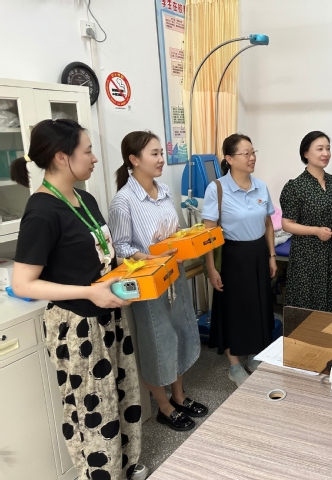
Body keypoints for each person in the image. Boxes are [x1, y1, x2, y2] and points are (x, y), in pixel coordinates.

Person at [10, 119, 148, 480]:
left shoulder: (84, 198)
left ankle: (126, 465)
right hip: (77, 326)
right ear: (61, 157)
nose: (95, 158)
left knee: (122, 395)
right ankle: (104, 474)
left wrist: (126, 275)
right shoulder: (41, 211)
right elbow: (23, 283)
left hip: (108, 315)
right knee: (95, 410)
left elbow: (99, 256)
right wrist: (90, 292)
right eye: (87, 151)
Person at [108, 131, 208, 432]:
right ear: (134, 159)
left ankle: (179, 396)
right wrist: (151, 257)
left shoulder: (163, 191)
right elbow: (120, 248)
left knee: (180, 332)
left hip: (174, 275)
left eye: (161, 153)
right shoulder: (123, 201)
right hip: (149, 284)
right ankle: (164, 406)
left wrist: (184, 243)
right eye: (154, 154)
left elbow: (173, 233)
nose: (161, 159)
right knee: (158, 341)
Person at [202, 134, 277, 387]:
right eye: (246, 153)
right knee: (233, 310)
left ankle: (254, 354)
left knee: (258, 306)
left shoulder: (261, 186)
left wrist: (271, 256)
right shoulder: (217, 189)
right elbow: (208, 234)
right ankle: (234, 365)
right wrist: (211, 268)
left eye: (253, 152)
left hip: (258, 254)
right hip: (232, 256)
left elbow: (268, 224)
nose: (252, 157)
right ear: (230, 159)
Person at [280, 131, 332, 313]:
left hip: (331, 254)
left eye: (328, 148)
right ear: (306, 153)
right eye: (319, 149)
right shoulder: (295, 187)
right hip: (306, 256)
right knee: (307, 303)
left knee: (330, 303)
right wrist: (316, 231)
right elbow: (287, 224)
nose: (325, 153)